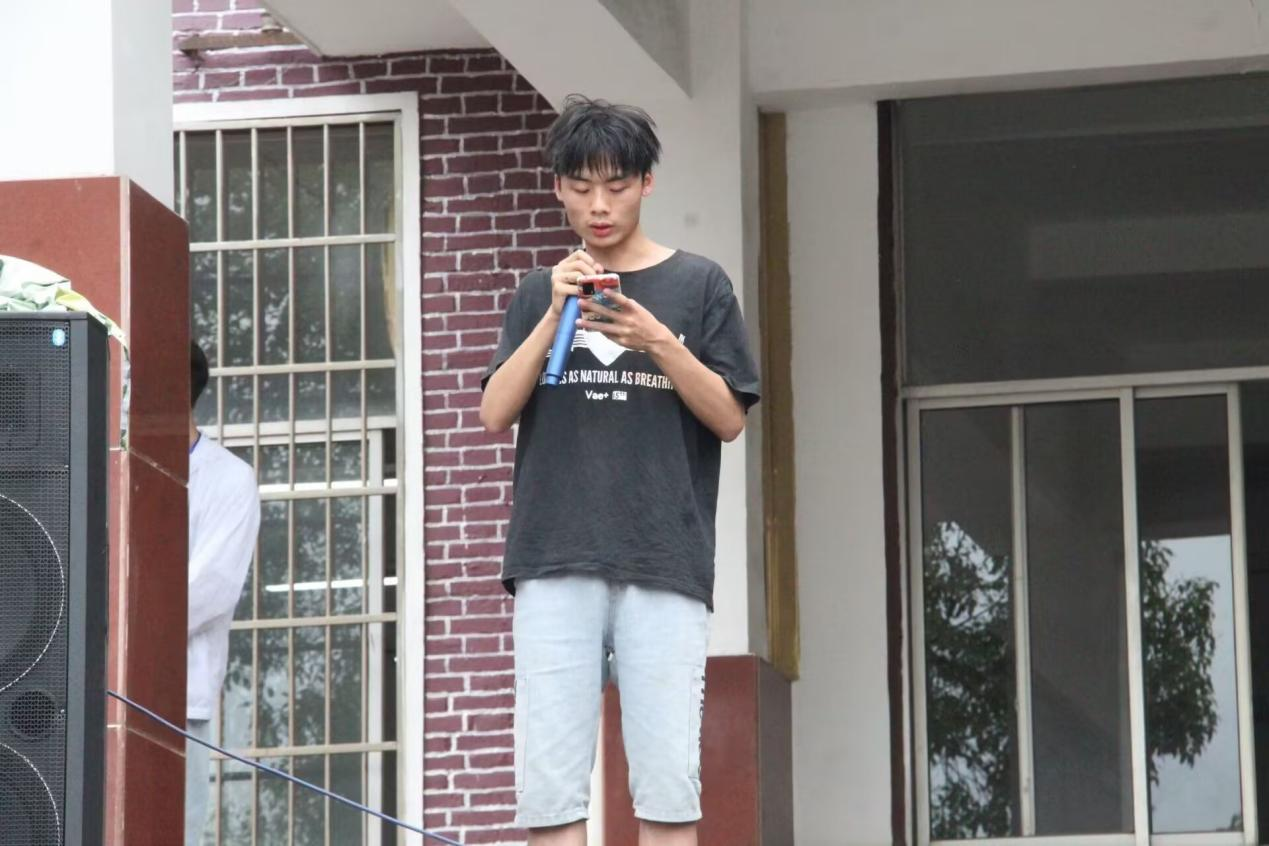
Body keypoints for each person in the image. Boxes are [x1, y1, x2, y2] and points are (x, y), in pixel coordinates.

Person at [480, 96, 761, 846]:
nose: (598, 206)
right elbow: (494, 412)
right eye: (580, 187)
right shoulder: (537, 292)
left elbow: (730, 418)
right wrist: (553, 314)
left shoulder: (699, 285)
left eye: (616, 186)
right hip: (551, 558)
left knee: (668, 792)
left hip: (662, 558)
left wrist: (657, 341)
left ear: (646, 183)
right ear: (558, 188)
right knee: (551, 795)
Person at [185, 342, 260, 845]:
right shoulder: (107, 464)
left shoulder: (231, 478)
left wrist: (113, 628)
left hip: (178, 697)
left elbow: (209, 588)